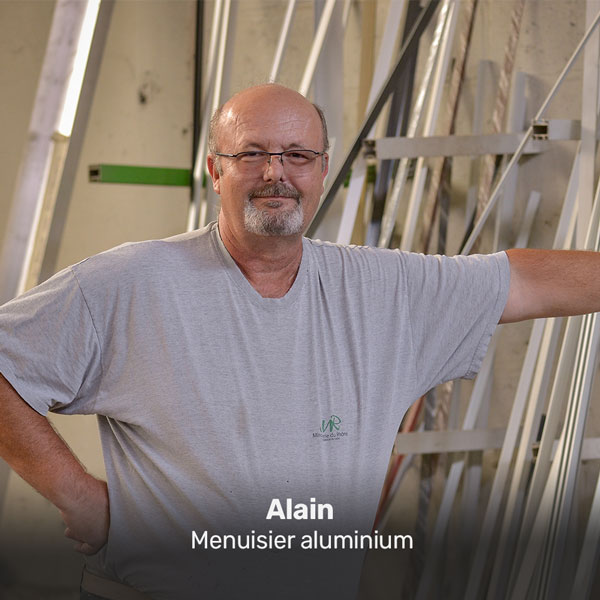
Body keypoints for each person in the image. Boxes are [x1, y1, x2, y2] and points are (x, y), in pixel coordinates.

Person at [0, 83, 599, 600]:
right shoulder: (132, 283)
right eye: (252, 154)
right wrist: (77, 496)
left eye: (297, 155)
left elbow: (520, 279)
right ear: (215, 170)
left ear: (322, 169)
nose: (275, 173)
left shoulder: (384, 291)